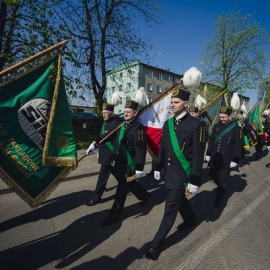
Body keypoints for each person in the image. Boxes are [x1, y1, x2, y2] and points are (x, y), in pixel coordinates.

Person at [143, 86, 204, 260]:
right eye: (171, 102)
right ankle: (190, 219)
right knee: (179, 200)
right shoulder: (168, 123)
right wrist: (157, 166)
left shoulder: (196, 125)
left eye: (176, 102)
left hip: (182, 174)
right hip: (169, 172)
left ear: (185, 103)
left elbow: (198, 156)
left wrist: (195, 179)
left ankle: (155, 246)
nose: (172, 105)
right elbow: (163, 147)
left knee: (170, 208)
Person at [100, 99, 151, 226]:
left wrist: (139, 167)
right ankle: (144, 196)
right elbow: (110, 136)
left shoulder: (138, 128)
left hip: (129, 163)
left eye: (128, 112)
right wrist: (95, 142)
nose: (126, 114)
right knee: (130, 182)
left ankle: (114, 215)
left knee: (121, 188)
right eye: (124, 112)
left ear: (135, 112)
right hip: (119, 161)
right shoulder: (122, 125)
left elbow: (141, 149)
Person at [85, 103, 122, 206]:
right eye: (103, 113)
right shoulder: (105, 123)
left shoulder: (116, 123)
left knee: (102, 177)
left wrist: (94, 143)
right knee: (122, 178)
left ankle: (96, 198)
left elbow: (106, 136)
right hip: (104, 154)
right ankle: (142, 194)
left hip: (110, 155)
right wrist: (95, 147)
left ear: (111, 113)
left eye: (106, 113)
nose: (104, 115)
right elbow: (101, 135)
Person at [205, 106, 242, 207]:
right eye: (220, 117)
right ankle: (221, 187)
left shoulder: (236, 128)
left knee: (223, 179)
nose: (221, 119)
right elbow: (212, 140)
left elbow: (238, 145)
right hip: (215, 156)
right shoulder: (216, 126)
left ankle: (219, 198)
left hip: (227, 158)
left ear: (229, 116)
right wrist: (208, 153)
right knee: (212, 173)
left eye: (223, 117)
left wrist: (235, 159)